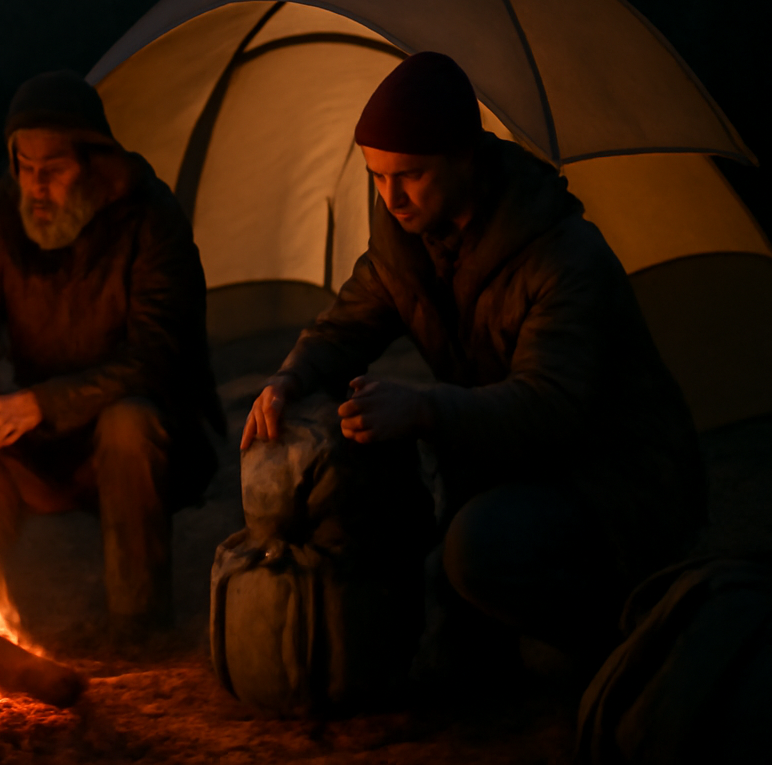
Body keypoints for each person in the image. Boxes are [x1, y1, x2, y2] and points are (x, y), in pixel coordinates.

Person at [241, 51, 706, 666]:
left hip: (614, 484)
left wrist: (424, 409)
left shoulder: (561, 256)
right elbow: (345, 327)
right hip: (505, 464)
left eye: (410, 175)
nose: (391, 197)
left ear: (464, 157)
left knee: (476, 552)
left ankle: (635, 644)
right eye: (376, 177)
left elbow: (550, 407)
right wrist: (288, 378)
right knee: (447, 607)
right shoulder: (409, 243)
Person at [0, 70, 223, 636]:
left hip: (146, 429)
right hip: (45, 439)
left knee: (126, 425)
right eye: (25, 167)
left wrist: (39, 404)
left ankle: (138, 625)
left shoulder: (149, 217)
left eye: (54, 168)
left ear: (93, 161)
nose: (36, 185)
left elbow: (154, 356)